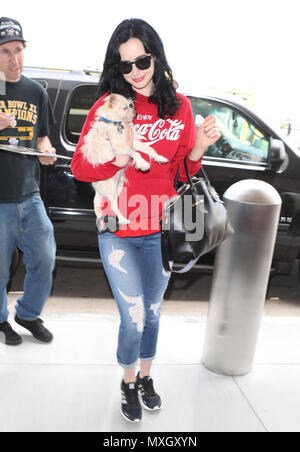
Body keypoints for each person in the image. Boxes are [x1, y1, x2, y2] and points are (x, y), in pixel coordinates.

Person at [71, 18, 221, 423]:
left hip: (163, 230)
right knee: (133, 316)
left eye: (142, 61)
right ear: (116, 68)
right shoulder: (110, 106)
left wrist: (199, 148)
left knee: (153, 313)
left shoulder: (180, 107)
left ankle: (145, 376)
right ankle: (127, 380)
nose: (135, 72)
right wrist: (116, 161)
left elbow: (181, 173)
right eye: (125, 66)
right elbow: (80, 167)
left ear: (156, 56)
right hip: (118, 229)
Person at [0, 17, 57, 346]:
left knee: (45, 258)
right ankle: (1, 321)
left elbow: (43, 138)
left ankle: (28, 313)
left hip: (29, 195)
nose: (13, 59)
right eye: (5, 51)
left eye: (18, 50)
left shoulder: (36, 92)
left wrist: (46, 149)